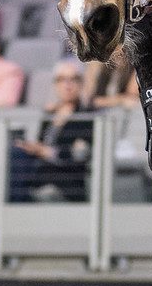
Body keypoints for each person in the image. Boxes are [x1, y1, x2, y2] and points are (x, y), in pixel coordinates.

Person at [9, 61, 97, 202]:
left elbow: (79, 154)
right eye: (61, 80)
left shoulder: (86, 116)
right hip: (42, 171)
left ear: (81, 83)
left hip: (66, 176)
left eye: (73, 79)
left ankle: (14, 205)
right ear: (55, 85)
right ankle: (12, 205)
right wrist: (32, 148)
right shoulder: (50, 114)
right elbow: (41, 142)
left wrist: (43, 151)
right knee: (17, 153)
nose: (67, 85)